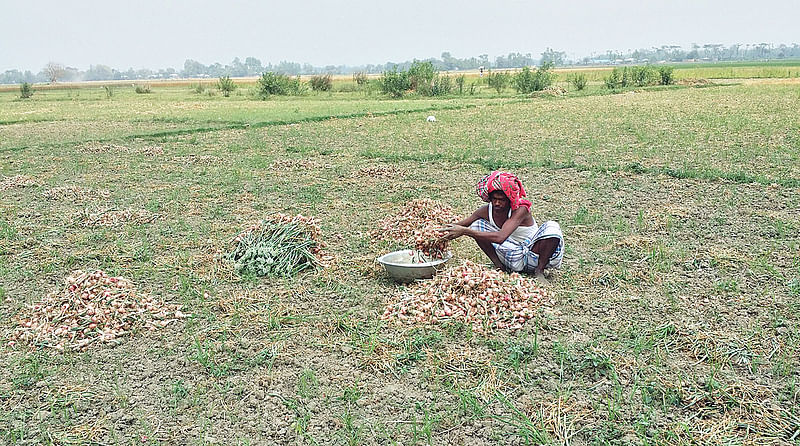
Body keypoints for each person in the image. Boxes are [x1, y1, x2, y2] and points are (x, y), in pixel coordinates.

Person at [440, 171, 564, 279]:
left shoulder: (521, 209)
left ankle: (539, 270)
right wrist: (437, 230)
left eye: (502, 200)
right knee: (476, 225)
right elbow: (459, 225)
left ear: (510, 199)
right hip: (513, 257)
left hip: (534, 256)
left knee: (552, 227)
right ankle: (499, 266)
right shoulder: (485, 211)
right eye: (494, 199)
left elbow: (500, 237)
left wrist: (465, 231)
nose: (497, 203)